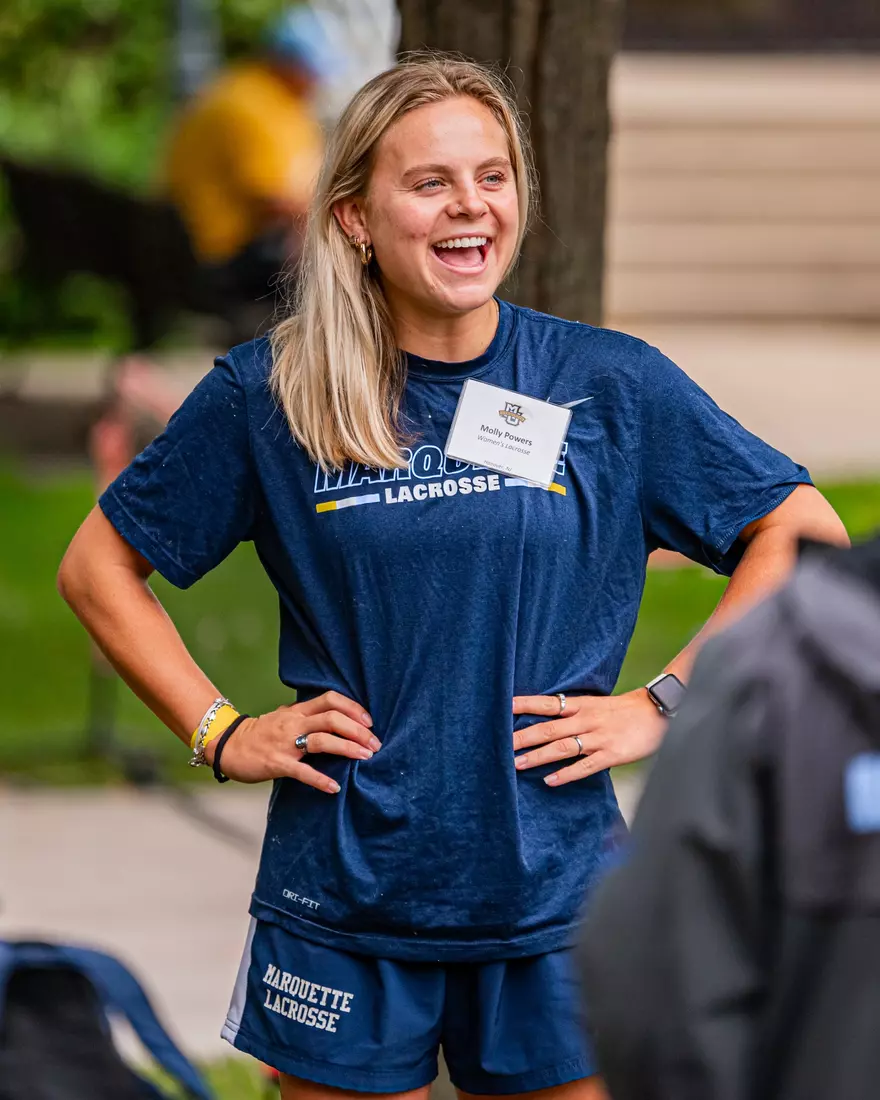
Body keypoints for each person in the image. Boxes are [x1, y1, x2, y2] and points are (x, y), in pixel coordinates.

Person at [57, 55, 848, 1100]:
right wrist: (220, 730)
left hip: (557, 891)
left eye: (492, 176)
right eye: (430, 181)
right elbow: (98, 566)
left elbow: (801, 529)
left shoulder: (605, 384)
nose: (470, 204)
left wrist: (663, 703)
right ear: (354, 217)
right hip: (345, 893)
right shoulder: (274, 392)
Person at [580, 533, 880, 1100]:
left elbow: (652, 986)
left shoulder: (775, 665)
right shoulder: (775, 669)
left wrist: (661, 703)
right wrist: (662, 702)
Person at [163, 6, 343, 318]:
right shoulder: (249, 108)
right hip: (219, 254)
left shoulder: (271, 98)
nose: (319, 81)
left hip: (218, 247)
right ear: (288, 64)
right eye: (313, 72)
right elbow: (277, 200)